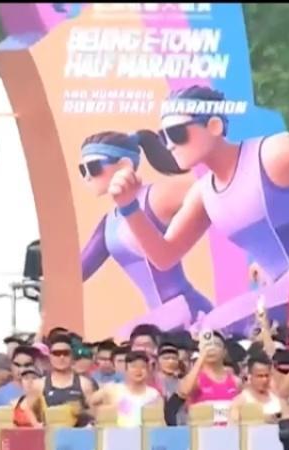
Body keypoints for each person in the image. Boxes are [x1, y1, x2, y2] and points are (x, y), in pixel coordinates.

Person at [108, 85, 289, 335]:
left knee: (214, 328)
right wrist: (129, 206)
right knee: (141, 335)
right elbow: (164, 257)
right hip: (282, 292)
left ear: (214, 126)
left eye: (176, 133)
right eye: (163, 137)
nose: (169, 146)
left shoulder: (271, 154)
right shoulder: (203, 193)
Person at [77, 132, 212, 333]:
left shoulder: (155, 196)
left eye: (93, 167)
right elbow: (77, 272)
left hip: (190, 313)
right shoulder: (109, 222)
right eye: (82, 169)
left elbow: (214, 190)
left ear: (124, 165)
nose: (87, 176)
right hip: (160, 321)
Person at [176, 330, 240, 423]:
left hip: (230, 430)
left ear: (224, 351)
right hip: (202, 430)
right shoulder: (196, 379)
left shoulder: (236, 381)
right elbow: (184, 391)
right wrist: (201, 358)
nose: (211, 348)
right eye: (207, 345)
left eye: (216, 345)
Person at [89, 350, 162, 427]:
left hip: (143, 432)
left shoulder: (153, 394)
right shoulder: (112, 389)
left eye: (143, 367)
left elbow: (159, 421)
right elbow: (91, 402)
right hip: (115, 431)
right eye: (133, 366)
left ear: (147, 370)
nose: (138, 371)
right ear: (126, 369)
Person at [41, 334, 95, 423]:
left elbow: (95, 413)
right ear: (50, 357)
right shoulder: (39, 384)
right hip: (50, 429)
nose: (61, 357)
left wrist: (81, 412)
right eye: (56, 353)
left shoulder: (84, 384)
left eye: (66, 353)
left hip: (77, 430)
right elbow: (26, 411)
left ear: (72, 356)